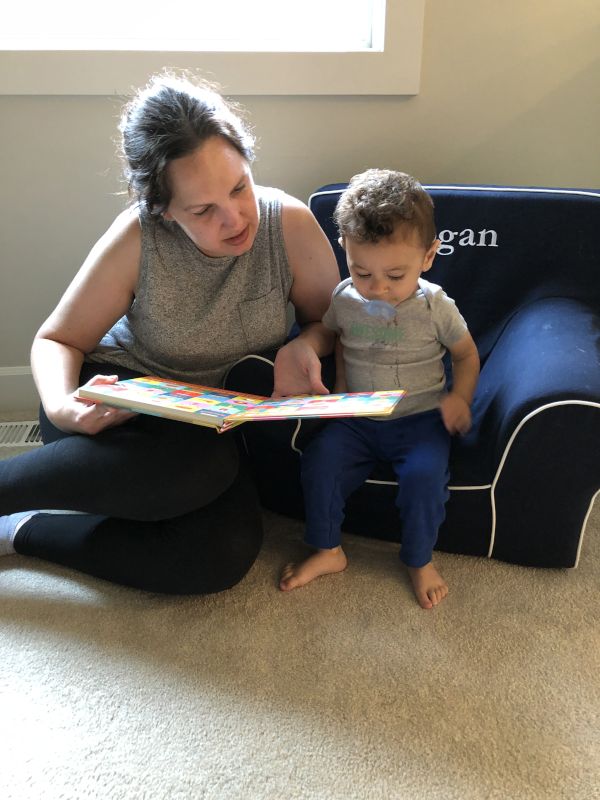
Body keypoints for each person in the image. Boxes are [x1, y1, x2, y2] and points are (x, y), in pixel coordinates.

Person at [0, 72, 339, 593]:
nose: (234, 218)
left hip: (207, 426)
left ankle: (20, 531)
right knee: (201, 464)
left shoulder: (288, 226)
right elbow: (57, 341)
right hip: (118, 403)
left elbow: (327, 322)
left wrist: (305, 343)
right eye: (203, 210)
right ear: (163, 209)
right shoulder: (139, 236)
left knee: (222, 553)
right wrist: (66, 408)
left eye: (239, 187)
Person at [280, 169, 480, 609]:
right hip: (356, 416)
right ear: (344, 250)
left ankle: (419, 559)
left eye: (395, 274)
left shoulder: (435, 305)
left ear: (429, 256)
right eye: (362, 271)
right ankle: (327, 550)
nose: (378, 288)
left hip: (420, 419)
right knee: (320, 463)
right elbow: (331, 335)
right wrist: (315, 361)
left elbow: (466, 354)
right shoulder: (344, 297)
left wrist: (460, 399)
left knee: (425, 479)